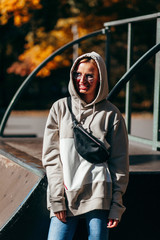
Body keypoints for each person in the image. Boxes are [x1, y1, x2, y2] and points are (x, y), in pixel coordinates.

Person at [42, 51, 129, 240]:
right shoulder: (60, 108)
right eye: (78, 74)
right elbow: (51, 158)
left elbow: (119, 163)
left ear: (100, 79)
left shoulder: (111, 114)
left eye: (90, 75)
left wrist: (116, 205)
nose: (82, 80)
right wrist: (56, 199)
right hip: (66, 195)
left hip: (99, 195)